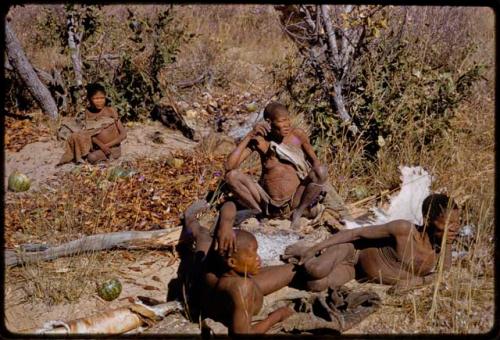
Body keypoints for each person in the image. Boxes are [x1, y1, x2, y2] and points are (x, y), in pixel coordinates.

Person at [282, 194, 461, 293]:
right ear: (428, 220)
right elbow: (355, 233)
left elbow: (441, 274)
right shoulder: (403, 229)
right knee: (316, 270)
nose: (455, 229)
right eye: (448, 224)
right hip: (353, 252)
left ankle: (313, 260)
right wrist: (315, 248)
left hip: (357, 272)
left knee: (315, 285)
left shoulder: (444, 246)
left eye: (457, 223)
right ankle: (305, 251)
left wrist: (415, 282)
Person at [217, 102, 328, 255]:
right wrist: (250, 135)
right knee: (232, 176)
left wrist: (318, 189)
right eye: (281, 121)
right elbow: (230, 166)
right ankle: (257, 212)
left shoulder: (296, 137)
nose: (287, 124)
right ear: (269, 122)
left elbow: (316, 163)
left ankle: (298, 213)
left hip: (295, 200)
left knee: (321, 171)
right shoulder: (261, 141)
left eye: (287, 119)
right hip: (267, 201)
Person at [179, 199, 297, 335]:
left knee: (203, 236)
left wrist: (225, 225)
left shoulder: (215, 260)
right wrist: (277, 316)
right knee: (294, 270)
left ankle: (189, 220)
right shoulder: (242, 287)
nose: (259, 259)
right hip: (219, 294)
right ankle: (189, 220)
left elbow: (229, 204)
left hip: (205, 287)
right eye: (253, 255)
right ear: (232, 263)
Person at [57, 83, 127, 165]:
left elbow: (123, 134)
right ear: (89, 99)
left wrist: (106, 146)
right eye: (96, 99)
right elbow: (89, 134)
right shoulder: (87, 113)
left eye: (102, 98)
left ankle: (105, 159)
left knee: (91, 157)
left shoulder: (111, 111)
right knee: (77, 136)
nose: (100, 101)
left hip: (113, 148)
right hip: (98, 147)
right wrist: (101, 146)